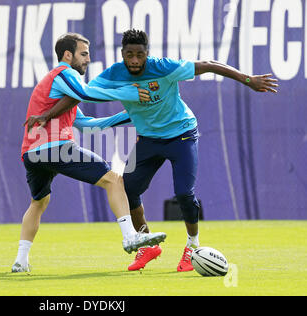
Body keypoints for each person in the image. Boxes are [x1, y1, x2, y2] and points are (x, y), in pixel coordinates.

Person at [24, 29, 278, 272]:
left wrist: (248, 80)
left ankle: (192, 246)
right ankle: (147, 244)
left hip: (182, 135)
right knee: (128, 189)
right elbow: (81, 95)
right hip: (148, 139)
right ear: (122, 54)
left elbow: (209, 63)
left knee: (184, 194)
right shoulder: (115, 73)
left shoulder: (164, 67)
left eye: (140, 55)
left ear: (147, 53)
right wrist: (48, 114)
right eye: (129, 55)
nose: (134, 61)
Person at [12, 33, 166, 273]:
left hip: (31, 154)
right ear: (67, 55)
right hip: (55, 147)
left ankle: (20, 261)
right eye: (83, 54)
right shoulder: (65, 73)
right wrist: (131, 94)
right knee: (114, 180)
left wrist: (131, 115)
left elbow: (88, 125)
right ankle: (130, 237)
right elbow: (85, 93)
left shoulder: (58, 88)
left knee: (39, 202)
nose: (88, 59)